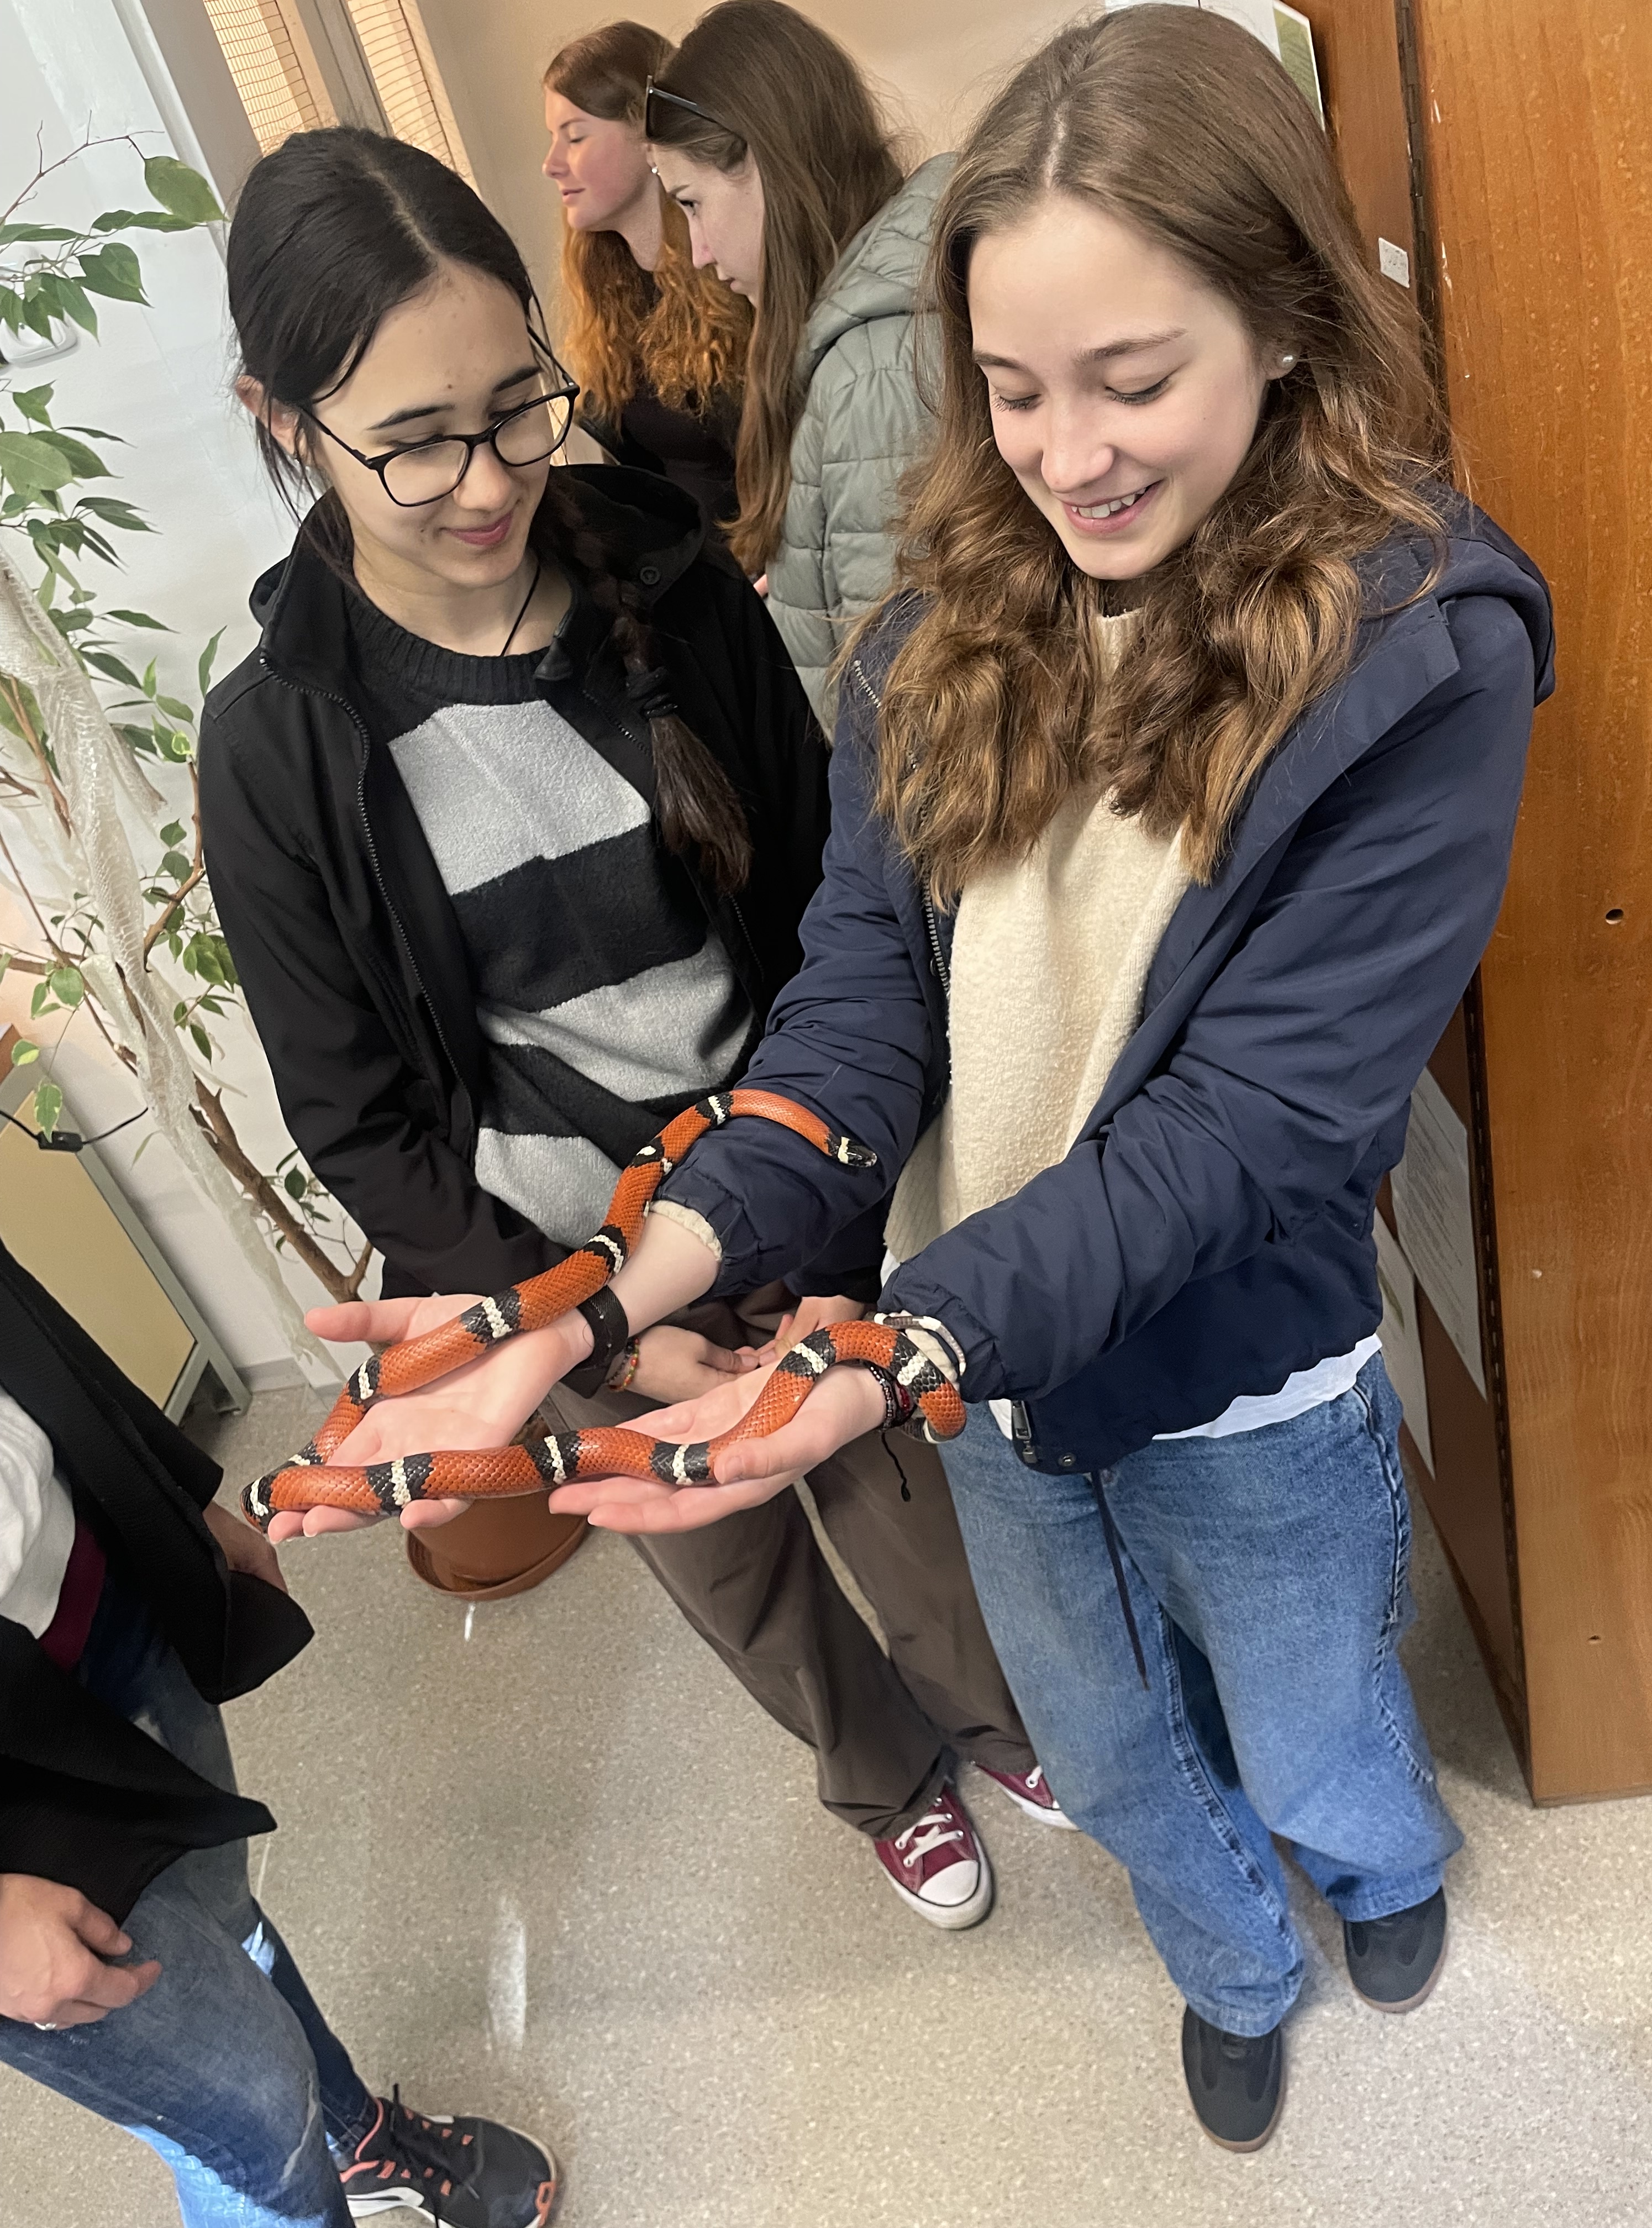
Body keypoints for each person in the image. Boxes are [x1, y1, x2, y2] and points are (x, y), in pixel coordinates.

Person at [310, 7, 1554, 2149]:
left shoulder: (1420, 652)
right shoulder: (939, 632)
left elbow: (1251, 1129)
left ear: (1282, 325)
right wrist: (602, 1297)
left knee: (1315, 1716)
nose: (1068, 456)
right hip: (976, 1379)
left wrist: (890, 1353)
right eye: (1015, 389)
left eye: (1133, 381)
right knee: (1110, 1736)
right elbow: (857, 1018)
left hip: (1230, 1374)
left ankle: (1378, 1870)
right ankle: (1233, 1964)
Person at [199, 127, 1060, 1929]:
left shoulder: (661, 571)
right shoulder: (280, 745)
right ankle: (884, 1779)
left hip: (796, 1177)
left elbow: (838, 905)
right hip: (544, 1256)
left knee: (908, 1496)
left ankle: (999, 1722)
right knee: (729, 1555)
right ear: (280, 420)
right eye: (414, 440)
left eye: (517, 406)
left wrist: (839, 1203)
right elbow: (360, 1119)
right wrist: (595, 1335)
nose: (486, 480)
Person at [0, 1238, 559, 2226]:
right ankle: (315, 2143)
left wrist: (175, 1490)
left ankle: (356, 2140)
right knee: (250, 2123)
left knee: (226, 1911)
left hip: (97, 1585)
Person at [644, 0, 949, 719]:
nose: (698, 252)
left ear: (760, 163)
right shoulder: (862, 332)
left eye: (692, 203)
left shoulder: (872, 374)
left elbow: (902, 709)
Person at [542, 20, 751, 533]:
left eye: (575, 137)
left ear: (647, 137)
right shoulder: (609, 288)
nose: (551, 164)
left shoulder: (735, 277)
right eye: (552, 139)